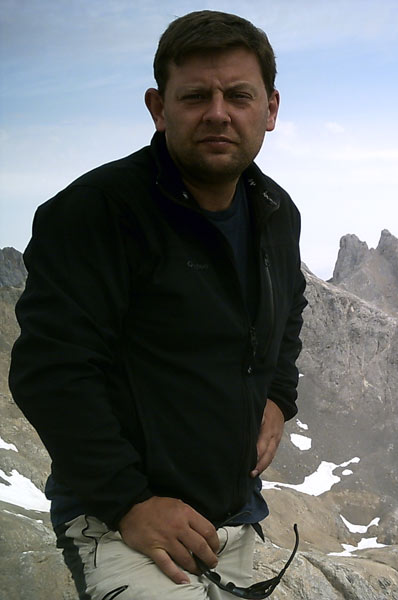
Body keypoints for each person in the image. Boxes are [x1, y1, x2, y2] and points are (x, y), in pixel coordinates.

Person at [9, 10, 307, 599]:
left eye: (238, 95)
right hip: (121, 521)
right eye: (195, 95)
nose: (218, 112)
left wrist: (278, 395)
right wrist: (129, 503)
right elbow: (51, 371)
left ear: (270, 110)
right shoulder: (94, 213)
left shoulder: (275, 210)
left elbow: (288, 308)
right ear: (157, 106)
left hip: (232, 516)